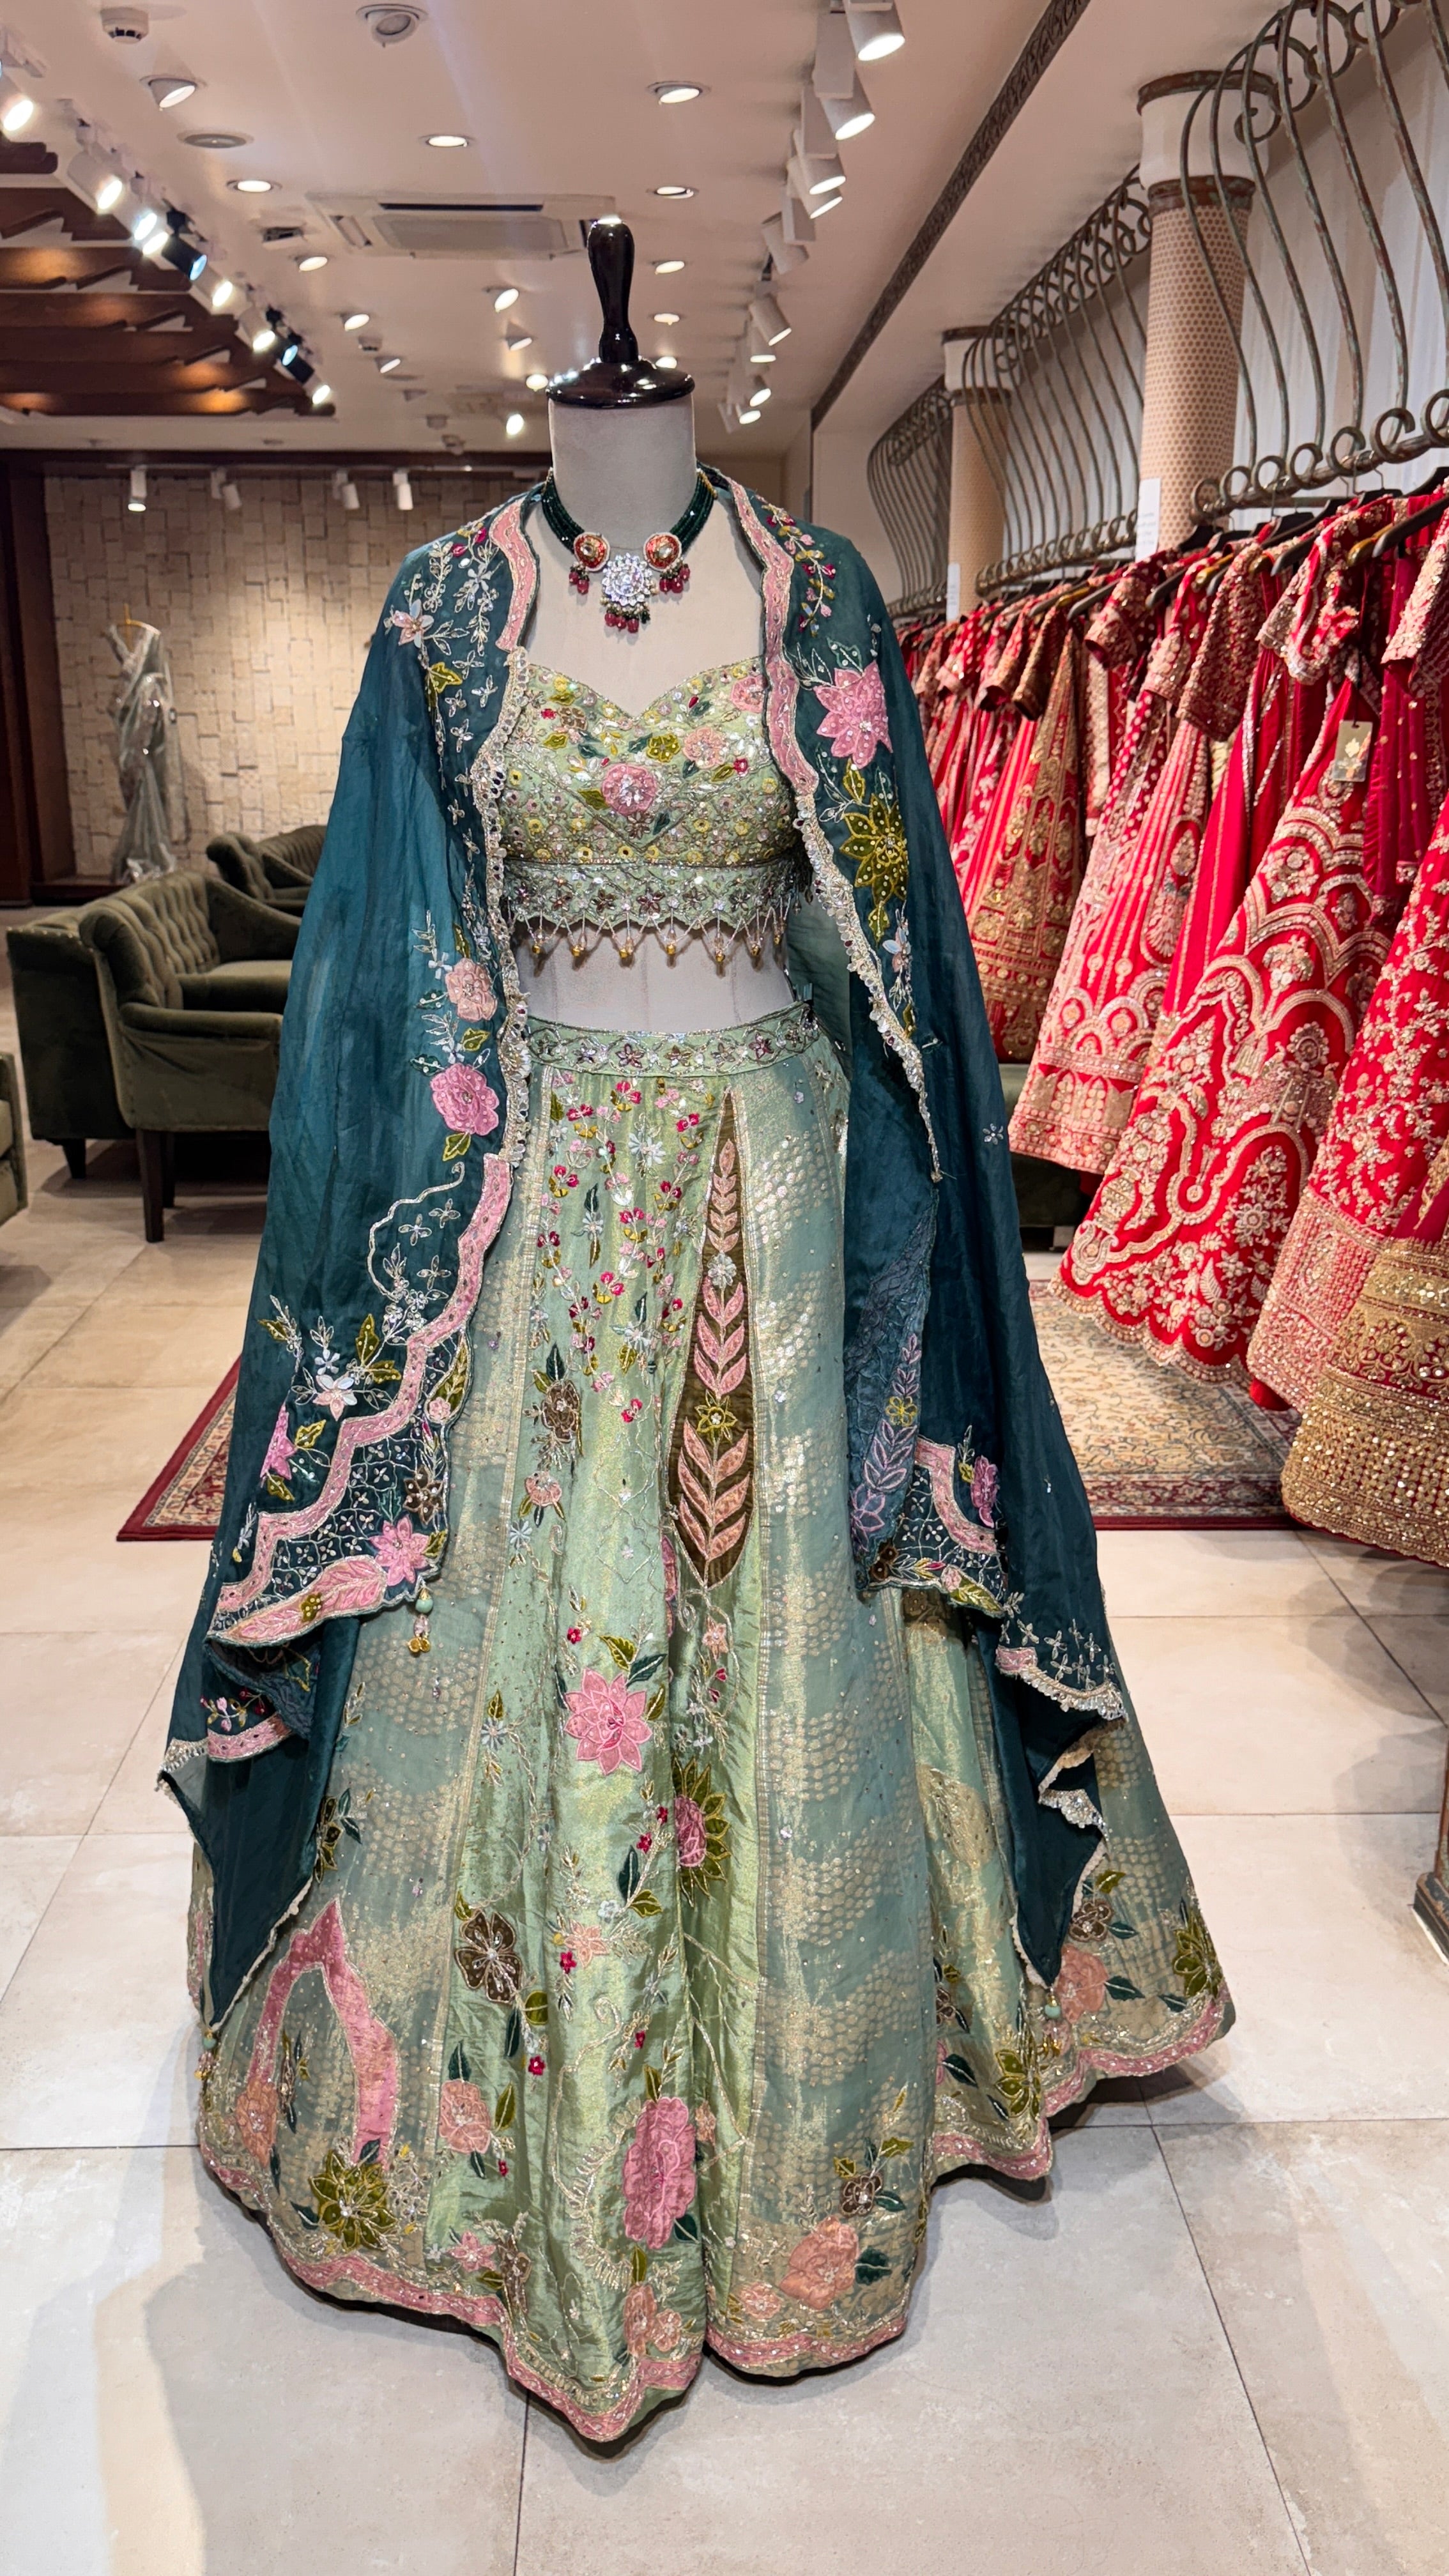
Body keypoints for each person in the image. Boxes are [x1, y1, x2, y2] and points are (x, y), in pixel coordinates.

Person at [164, 224, 1229, 2440]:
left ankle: (818, 2111)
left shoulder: (816, 591)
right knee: (529, 1607)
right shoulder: (449, 612)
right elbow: (378, 965)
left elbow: (900, 943)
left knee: (802, 1623)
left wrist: (919, 1250)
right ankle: (478, 2159)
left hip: (770, 1173)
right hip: (529, 1186)